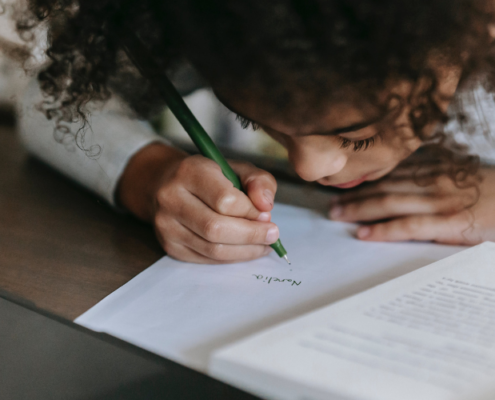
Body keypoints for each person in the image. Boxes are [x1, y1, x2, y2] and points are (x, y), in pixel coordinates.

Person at [13, 0, 495, 263]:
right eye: (258, 123)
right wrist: (150, 176)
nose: (307, 168)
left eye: (355, 136)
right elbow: (47, 100)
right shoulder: (240, 37)